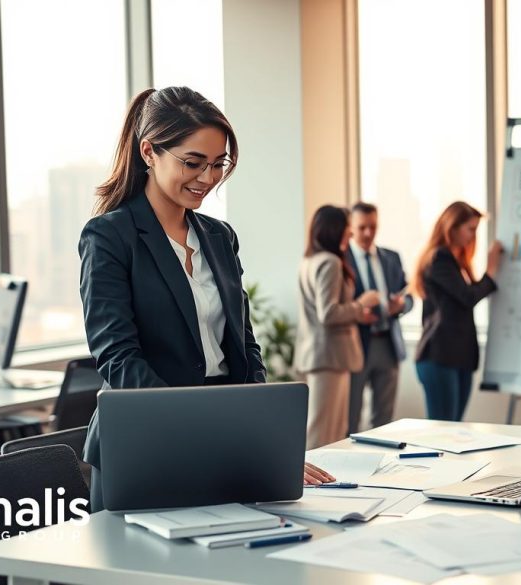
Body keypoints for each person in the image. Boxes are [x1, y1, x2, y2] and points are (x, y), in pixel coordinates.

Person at [78, 87, 333, 511]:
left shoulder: (219, 237)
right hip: (147, 435)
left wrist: (265, 439)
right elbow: (118, 358)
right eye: (193, 163)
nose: (208, 178)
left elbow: (244, 346)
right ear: (149, 152)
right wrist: (196, 431)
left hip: (222, 430)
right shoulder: (109, 237)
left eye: (218, 164)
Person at [295, 205, 380, 449]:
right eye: (347, 229)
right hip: (330, 358)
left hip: (320, 355)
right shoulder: (330, 262)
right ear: (335, 230)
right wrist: (360, 304)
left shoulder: (309, 260)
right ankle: (314, 485)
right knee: (325, 433)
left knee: (325, 429)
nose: (351, 234)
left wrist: (357, 315)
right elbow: (328, 313)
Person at [413, 201, 504, 421]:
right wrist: (491, 271)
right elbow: (467, 297)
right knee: (443, 431)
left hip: (459, 357)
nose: (473, 236)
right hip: (439, 356)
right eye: (470, 229)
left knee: (454, 428)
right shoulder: (439, 259)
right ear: (452, 228)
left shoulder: (458, 261)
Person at [345, 202, 413, 434]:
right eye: (362, 227)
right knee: (350, 416)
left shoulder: (391, 258)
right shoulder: (341, 259)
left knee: (384, 420)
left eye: (373, 227)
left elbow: (410, 295)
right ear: (351, 227)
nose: (368, 233)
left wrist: (402, 305)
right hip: (356, 345)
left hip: (388, 343)